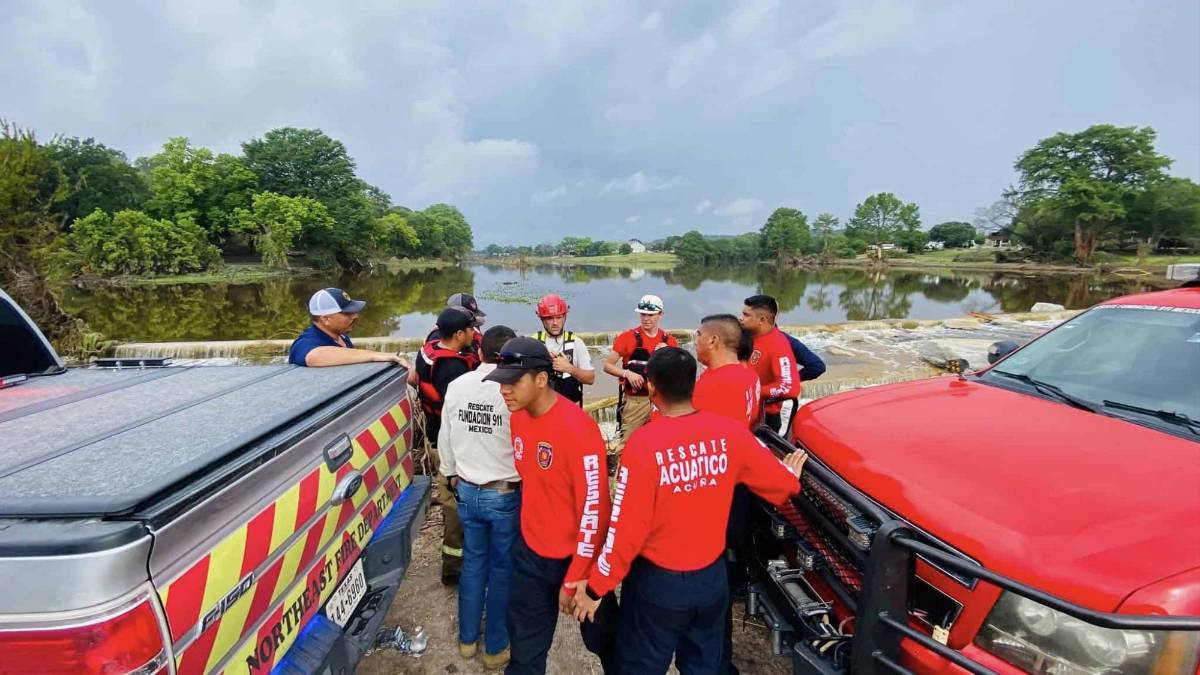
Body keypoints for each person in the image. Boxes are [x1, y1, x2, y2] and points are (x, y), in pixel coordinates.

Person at [571, 348, 808, 674]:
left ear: (652, 388)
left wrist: (597, 587)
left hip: (658, 584)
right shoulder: (729, 432)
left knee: (639, 664)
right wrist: (790, 477)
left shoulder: (644, 445)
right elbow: (781, 486)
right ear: (693, 384)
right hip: (711, 578)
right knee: (703, 665)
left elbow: (626, 531)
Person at [483, 337, 618, 674]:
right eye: (501, 382)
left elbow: (594, 507)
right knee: (526, 650)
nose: (504, 391)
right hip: (531, 553)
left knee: (607, 643)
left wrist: (577, 576)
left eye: (513, 382)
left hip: (579, 558)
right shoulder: (519, 417)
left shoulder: (577, 428)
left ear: (541, 380)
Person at [439, 325, 521, 670]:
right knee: (502, 569)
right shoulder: (514, 391)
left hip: (467, 489)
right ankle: (496, 648)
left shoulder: (458, 386)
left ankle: (468, 641)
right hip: (503, 493)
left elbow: (446, 437)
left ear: (481, 351)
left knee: (473, 565)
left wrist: (452, 472)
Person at [417, 307, 482, 585]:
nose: (474, 333)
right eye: (471, 329)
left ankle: (457, 563)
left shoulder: (431, 348)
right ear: (458, 335)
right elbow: (459, 411)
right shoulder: (451, 368)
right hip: (448, 444)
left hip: (435, 435)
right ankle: (454, 570)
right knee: (454, 511)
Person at [602, 294, 679, 447]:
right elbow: (607, 365)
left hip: (662, 400)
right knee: (628, 444)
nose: (646, 318)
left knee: (661, 444)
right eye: (642, 314)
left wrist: (669, 353)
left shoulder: (670, 341)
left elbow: (677, 373)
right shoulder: (627, 337)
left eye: (650, 315)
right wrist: (627, 373)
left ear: (660, 315)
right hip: (636, 400)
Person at [288, 288, 409, 368]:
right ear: (325, 319)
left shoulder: (342, 337)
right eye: (347, 313)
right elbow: (313, 356)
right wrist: (375, 355)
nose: (356, 316)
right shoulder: (305, 342)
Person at [740, 295, 802, 436]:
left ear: (762, 320)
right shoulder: (749, 335)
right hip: (746, 410)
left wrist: (754, 391)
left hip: (764, 417)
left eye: (746, 315)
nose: (741, 318)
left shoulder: (777, 344)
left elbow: (789, 388)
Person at [694, 314, 762, 427]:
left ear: (713, 341)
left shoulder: (713, 384)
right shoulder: (751, 375)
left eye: (699, 335)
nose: (696, 342)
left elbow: (688, 426)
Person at [534, 293, 595, 406]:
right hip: (541, 408)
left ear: (564, 317)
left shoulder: (576, 343)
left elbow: (590, 379)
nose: (555, 323)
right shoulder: (534, 343)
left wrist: (569, 368)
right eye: (550, 318)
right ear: (542, 320)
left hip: (570, 408)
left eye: (558, 317)